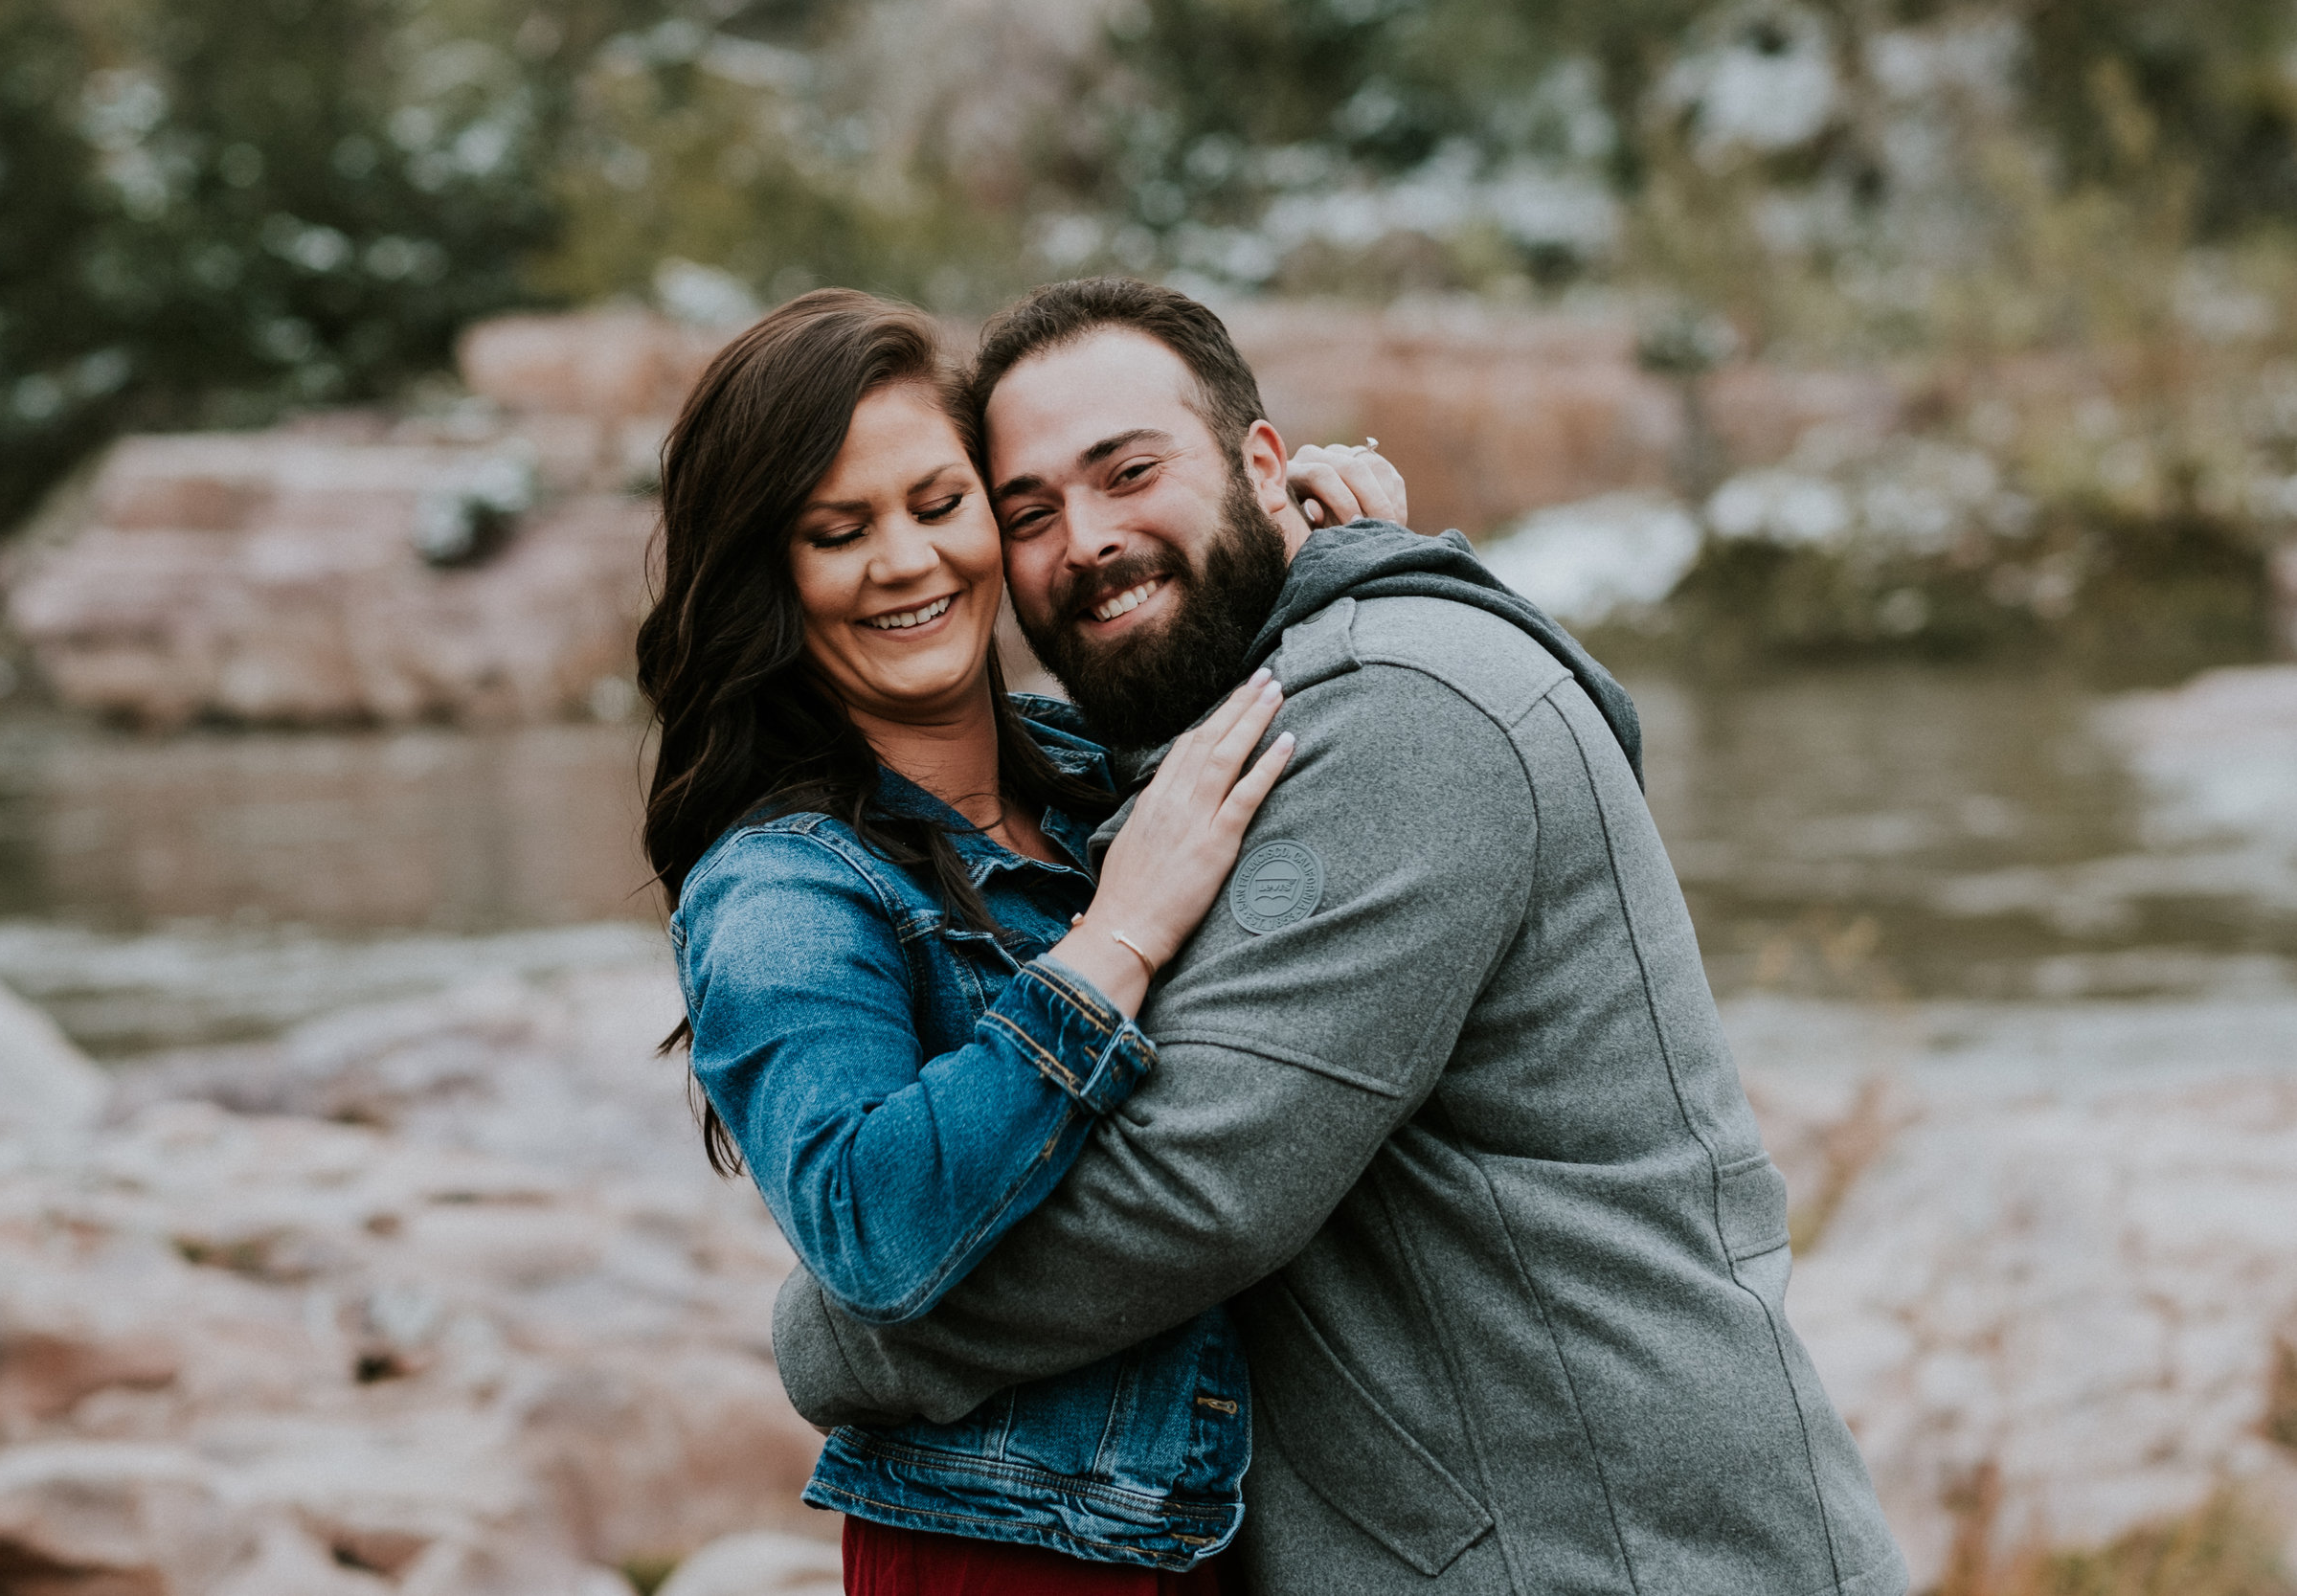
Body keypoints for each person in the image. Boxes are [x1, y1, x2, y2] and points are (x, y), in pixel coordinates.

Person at [770, 279, 1911, 1595]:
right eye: (1029, 512)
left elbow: (1192, 1193)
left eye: (1129, 471)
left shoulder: (1391, 717)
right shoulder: (1244, 715)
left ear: (1263, 464)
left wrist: (837, 1335)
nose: (1085, 539)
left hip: (1614, 1560)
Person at [637, 289, 1404, 1595]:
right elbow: (870, 1229)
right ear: (774, 577)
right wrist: (1113, 942)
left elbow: (1282, 725)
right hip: (1010, 1554)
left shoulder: (1093, 767)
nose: (907, 562)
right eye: (839, 532)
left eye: (941, 504)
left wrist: (1331, 552)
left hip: (1222, 1526)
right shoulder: (779, 889)